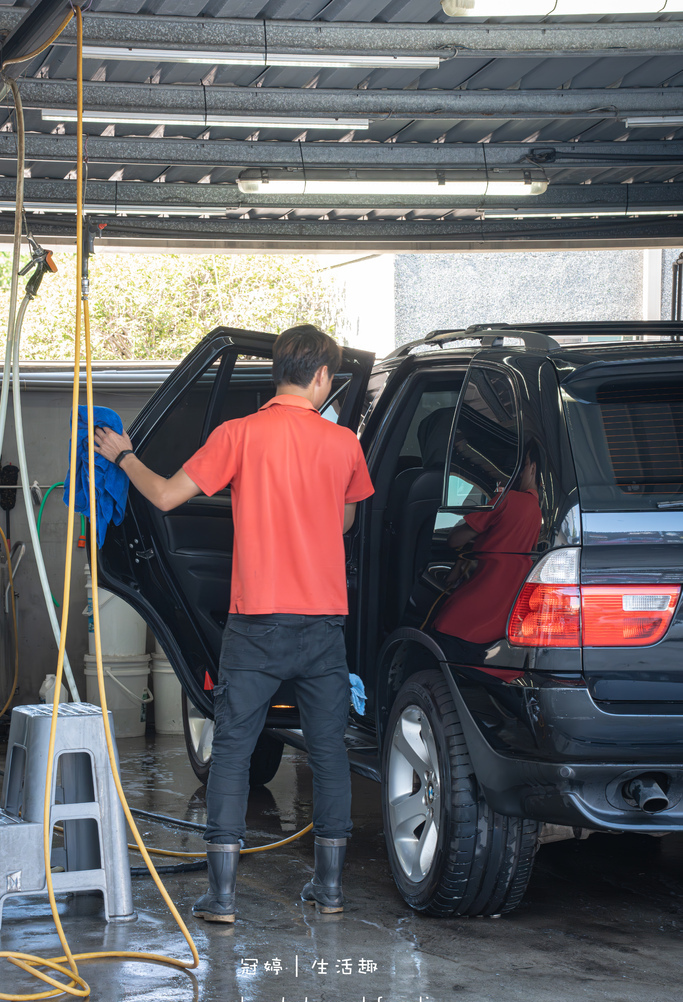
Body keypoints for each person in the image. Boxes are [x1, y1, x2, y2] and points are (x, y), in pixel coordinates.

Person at [94, 325, 374, 923]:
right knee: (327, 754)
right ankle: (328, 892)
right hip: (323, 626)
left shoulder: (239, 435)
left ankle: (220, 897)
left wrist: (123, 455)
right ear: (323, 377)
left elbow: (167, 498)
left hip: (256, 628)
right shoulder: (344, 443)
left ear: (279, 373)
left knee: (233, 754)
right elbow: (347, 524)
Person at [431, 440, 542, 653]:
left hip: (473, 608)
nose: (519, 474)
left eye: (524, 466)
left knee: (436, 638)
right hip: (505, 618)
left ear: (533, 467)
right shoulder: (537, 514)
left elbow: (455, 540)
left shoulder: (508, 499)